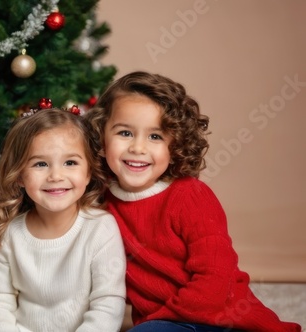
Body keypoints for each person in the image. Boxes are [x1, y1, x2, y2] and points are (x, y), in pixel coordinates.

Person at [85, 71, 301, 332]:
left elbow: (215, 281)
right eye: (124, 133)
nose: (138, 148)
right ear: (101, 134)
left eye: (155, 136)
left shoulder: (189, 196)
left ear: (176, 144)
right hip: (166, 323)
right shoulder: (100, 200)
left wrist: (158, 319)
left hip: (220, 319)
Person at [0, 108, 127, 331]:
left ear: (88, 172)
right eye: (40, 164)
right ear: (19, 175)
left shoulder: (100, 228)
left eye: (70, 163)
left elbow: (108, 303)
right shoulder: (9, 233)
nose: (56, 176)